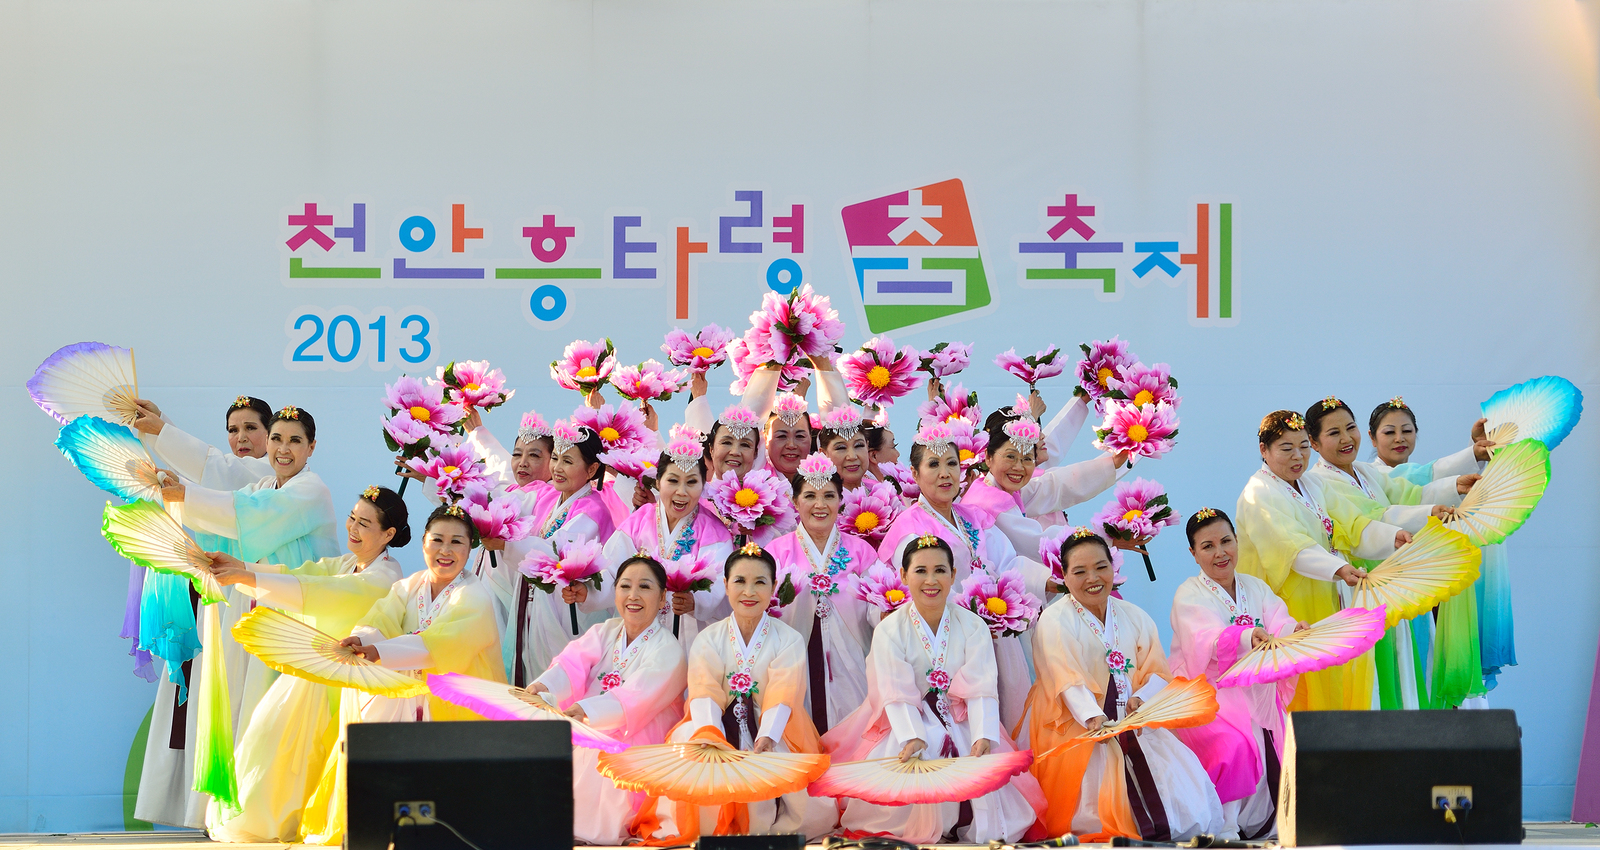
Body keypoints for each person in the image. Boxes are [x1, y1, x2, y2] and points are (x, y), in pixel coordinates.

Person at [160, 406, 340, 816]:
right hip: (259, 611)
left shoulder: (311, 490)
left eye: (295, 440)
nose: (283, 449)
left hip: (298, 617)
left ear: (311, 447)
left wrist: (186, 495)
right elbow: (229, 512)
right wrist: (176, 494)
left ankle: (282, 810)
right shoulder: (263, 485)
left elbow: (245, 514)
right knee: (244, 707)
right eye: (277, 439)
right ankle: (239, 810)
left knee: (280, 714)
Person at [204, 487, 409, 843]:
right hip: (316, 672)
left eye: (364, 524)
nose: (353, 528)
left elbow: (319, 591)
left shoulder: (385, 576)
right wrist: (240, 567)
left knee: (306, 749)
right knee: (270, 736)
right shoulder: (345, 564)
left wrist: (246, 577)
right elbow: (296, 574)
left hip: (348, 682)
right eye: (352, 518)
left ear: (388, 534)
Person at [299, 505, 503, 846]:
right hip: (407, 694)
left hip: (452, 702)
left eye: (457, 542)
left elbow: (441, 644)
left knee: (448, 792)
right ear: (423, 542)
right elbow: (381, 620)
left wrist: (380, 652)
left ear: (471, 549)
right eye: (437, 540)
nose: (445, 550)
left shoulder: (476, 596)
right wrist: (360, 639)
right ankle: (386, 827)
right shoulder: (409, 586)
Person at [824, 536, 1046, 843]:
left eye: (940, 570)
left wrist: (983, 734)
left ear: (953, 575)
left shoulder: (973, 625)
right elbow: (894, 689)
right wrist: (912, 736)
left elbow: (980, 686)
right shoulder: (890, 629)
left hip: (963, 717)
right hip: (905, 720)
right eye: (921, 571)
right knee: (925, 750)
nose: (931, 581)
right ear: (903, 576)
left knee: (985, 778)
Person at [126, 394, 274, 829]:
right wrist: (162, 427)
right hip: (212, 603)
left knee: (235, 703)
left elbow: (215, 471)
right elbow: (206, 473)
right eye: (233, 430)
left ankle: (234, 810)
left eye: (251, 428)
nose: (241, 437)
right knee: (204, 702)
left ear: (272, 435)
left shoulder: (269, 479)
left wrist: (163, 431)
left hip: (251, 604)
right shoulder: (228, 474)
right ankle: (202, 808)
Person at [1022, 529, 1225, 841]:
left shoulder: (1134, 615)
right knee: (1091, 819)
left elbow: (1157, 670)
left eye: (1101, 567)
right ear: (1063, 576)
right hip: (1076, 723)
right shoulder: (1054, 619)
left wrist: (1142, 698)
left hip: (1133, 719)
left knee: (1184, 810)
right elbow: (1064, 677)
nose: (1093, 578)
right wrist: (1092, 717)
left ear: (1113, 567)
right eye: (1080, 571)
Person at [632, 545, 825, 843]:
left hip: (774, 723)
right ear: (725, 585)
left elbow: (783, 692)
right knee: (691, 743)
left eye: (760, 582)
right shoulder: (709, 637)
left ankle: (771, 825)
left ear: (774, 586)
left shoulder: (789, 639)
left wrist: (768, 735)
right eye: (740, 581)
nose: (749, 591)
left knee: (777, 755)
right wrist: (710, 733)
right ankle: (707, 827)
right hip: (715, 722)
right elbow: (704, 690)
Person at [1302, 397, 1478, 709]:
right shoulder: (1320, 480)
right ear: (1313, 443)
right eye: (1333, 433)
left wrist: (1454, 486)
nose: (1346, 438)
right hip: (1362, 585)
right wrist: (1428, 512)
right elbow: (1373, 517)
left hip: (1393, 581)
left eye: (1350, 428)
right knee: (1378, 677)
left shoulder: (1363, 471)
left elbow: (1409, 491)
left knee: (1407, 668)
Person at [1235, 410, 1408, 712]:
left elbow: (1352, 524)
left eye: (1303, 446)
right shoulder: (1258, 493)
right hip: (1288, 606)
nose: (1298, 456)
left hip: (1326, 594)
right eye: (1286, 448)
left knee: (1334, 683)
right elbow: (1290, 546)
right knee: (1304, 691)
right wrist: (1338, 568)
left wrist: (1392, 537)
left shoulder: (1312, 484)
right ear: (1264, 449)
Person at [877, 422, 1032, 728]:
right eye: (933, 465)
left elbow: (1008, 564)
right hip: (947, 641)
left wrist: (1044, 584)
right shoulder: (908, 527)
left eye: (951, 464)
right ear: (914, 473)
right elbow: (917, 592)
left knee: (1009, 709)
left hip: (995, 631)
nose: (945, 473)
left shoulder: (973, 516)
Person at [528, 555, 687, 845]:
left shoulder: (670, 650)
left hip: (639, 733)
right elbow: (570, 665)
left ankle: (600, 830)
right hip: (588, 723)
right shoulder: (604, 631)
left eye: (644, 587)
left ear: (663, 597)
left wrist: (586, 710)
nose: (633, 596)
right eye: (625, 586)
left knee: (601, 754)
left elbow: (638, 696)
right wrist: (543, 685)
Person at [1168, 508, 1301, 840]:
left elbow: (1279, 622)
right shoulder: (1188, 594)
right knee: (1235, 746)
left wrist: (1293, 633)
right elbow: (1204, 639)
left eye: (1226, 541)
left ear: (1237, 541)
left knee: (1277, 743)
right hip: (1210, 691)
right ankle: (1225, 827)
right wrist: (1246, 636)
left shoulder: (1254, 587)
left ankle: (1268, 825)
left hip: (1257, 687)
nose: (1220, 553)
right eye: (1208, 546)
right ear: (1193, 553)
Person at [1368, 398, 1508, 696]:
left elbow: (1438, 479)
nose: (1399, 438)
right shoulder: (1370, 476)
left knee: (1433, 666)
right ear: (1372, 437)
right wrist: (1471, 454)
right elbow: (1431, 478)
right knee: (1403, 671)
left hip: (1430, 585)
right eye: (1389, 432)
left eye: (1407, 431)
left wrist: (1476, 451)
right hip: (1392, 589)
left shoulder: (1416, 475)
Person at [766, 454, 880, 735]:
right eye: (810, 496)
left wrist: (885, 611)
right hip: (795, 658)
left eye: (829, 496)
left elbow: (876, 604)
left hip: (851, 657)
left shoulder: (861, 551)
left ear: (840, 501)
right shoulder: (776, 551)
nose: (820, 504)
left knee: (853, 730)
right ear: (795, 502)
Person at [504, 417, 616, 686]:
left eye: (567, 461)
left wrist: (505, 543)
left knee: (559, 684)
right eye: (555, 458)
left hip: (568, 612)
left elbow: (555, 553)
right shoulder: (551, 499)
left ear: (592, 469)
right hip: (537, 609)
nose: (557, 468)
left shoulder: (593, 509)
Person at [596, 437, 735, 652]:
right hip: (641, 625)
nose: (681, 491)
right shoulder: (639, 520)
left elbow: (720, 584)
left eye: (691, 482)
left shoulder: (714, 531)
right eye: (673, 481)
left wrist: (696, 602)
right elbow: (611, 569)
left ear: (703, 485)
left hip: (691, 635)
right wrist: (588, 591)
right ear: (658, 481)